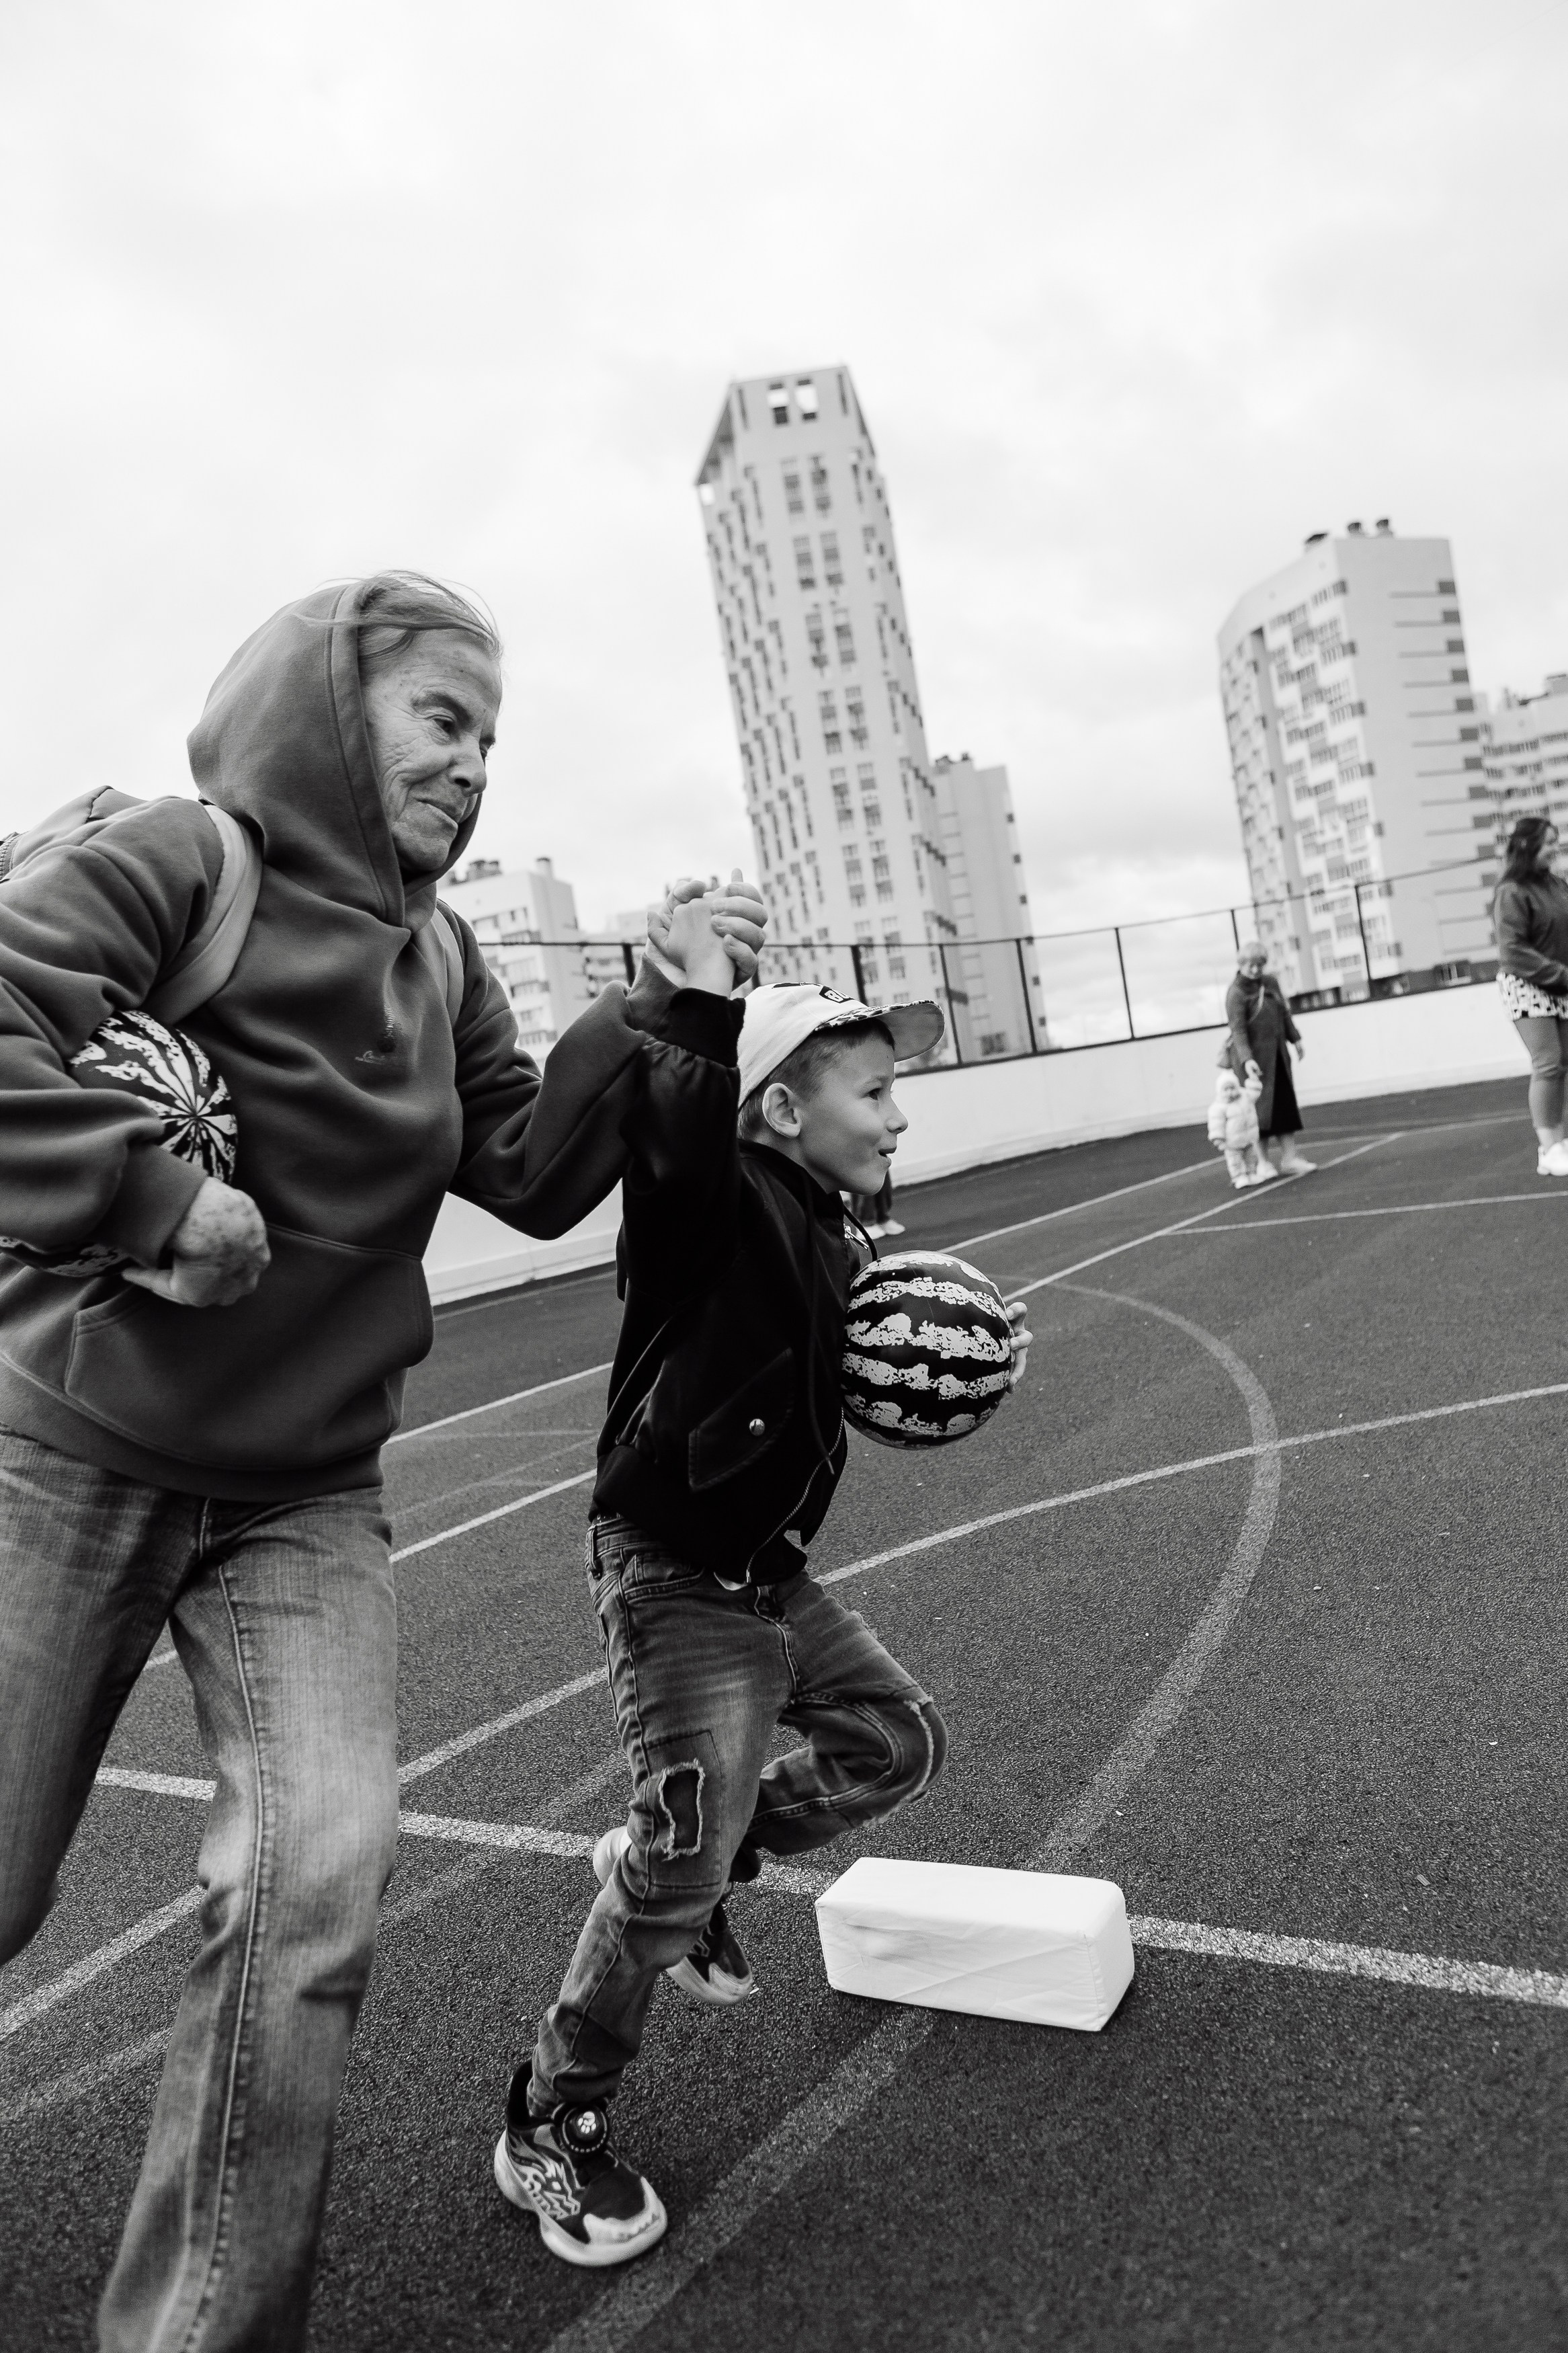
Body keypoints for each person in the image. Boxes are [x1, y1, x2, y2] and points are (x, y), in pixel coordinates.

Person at [0, 572, 765, 2353]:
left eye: (491, 737)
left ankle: (198, 2328)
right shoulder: (185, 864)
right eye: (442, 719)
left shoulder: (437, 958)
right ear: (336, 714)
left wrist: (662, 1008)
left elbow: (531, 1163)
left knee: (317, 1885)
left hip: (305, 1493)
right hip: (66, 1454)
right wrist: (149, 1198)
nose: (472, 764)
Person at [492, 946, 1030, 2270]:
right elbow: (679, 1097)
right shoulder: (713, 1197)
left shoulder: (829, 1223)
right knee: (668, 1876)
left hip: (756, 1563)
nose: (896, 1115)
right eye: (871, 1090)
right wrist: (696, 997)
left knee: (891, 1742)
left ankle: (696, 1862)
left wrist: (964, 1342)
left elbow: (889, 1339)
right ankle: (547, 2120)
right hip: (672, 1567)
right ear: (782, 1109)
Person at [1491, 813, 1568, 1176]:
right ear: (1528, 846)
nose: (1556, 847)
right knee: (1548, 1062)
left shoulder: (1556, 884)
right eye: (1549, 842)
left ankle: (1559, 1142)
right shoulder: (1511, 891)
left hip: (1560, 982)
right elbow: (1513, 951)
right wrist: (1560, 975)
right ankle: (1548, 1149)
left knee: (1562, 1063)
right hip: (1526, 983)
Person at [1223, 941, 1315, 1176]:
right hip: (1254, 1062)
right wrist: (1246, 1059)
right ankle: (1262, 1162)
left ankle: (1290, 1158)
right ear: (1241, 964)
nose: (1256, 970)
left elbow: (1284, 1012)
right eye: (1251, 965)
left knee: (1284, 1106)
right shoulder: (1236, 993)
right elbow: (1238, 1030)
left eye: (1260, 965)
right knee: (1258, 1113)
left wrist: (1296, 1039)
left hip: (1278, 1057)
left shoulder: (1270, 983)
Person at [1206, 1066, 1271, 1189]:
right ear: (1220, 1091)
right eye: (1226, 1089)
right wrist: (1218, 1139)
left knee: (1251, 1158)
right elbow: (1216, 1124)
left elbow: (1255, 1092)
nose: (1230, 1092)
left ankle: (1251, 1174)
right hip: (1232, 1142)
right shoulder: (1219, 1107)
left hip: (1248, 1138)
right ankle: (1238, 1177)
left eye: (1232, 1088)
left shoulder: (1245, 1097)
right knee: (1235, 1162)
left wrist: (1253, 1080)